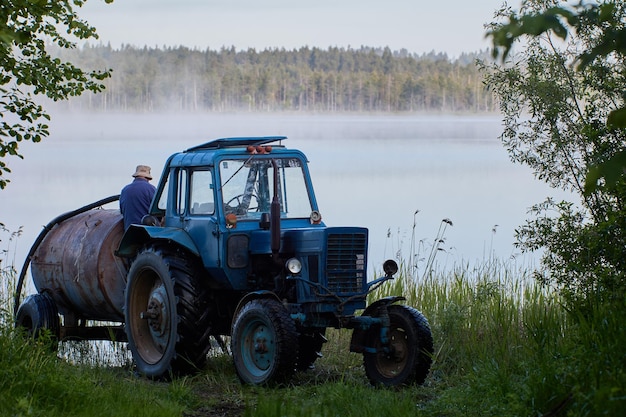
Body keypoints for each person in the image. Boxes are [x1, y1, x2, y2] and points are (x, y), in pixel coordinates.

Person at [120, 165, 156, 230]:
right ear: (148, 177)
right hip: (148, 231)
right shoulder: (152, 189)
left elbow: (122, 211)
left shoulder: (125, 190)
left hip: (129, 231)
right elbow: (158, 211)